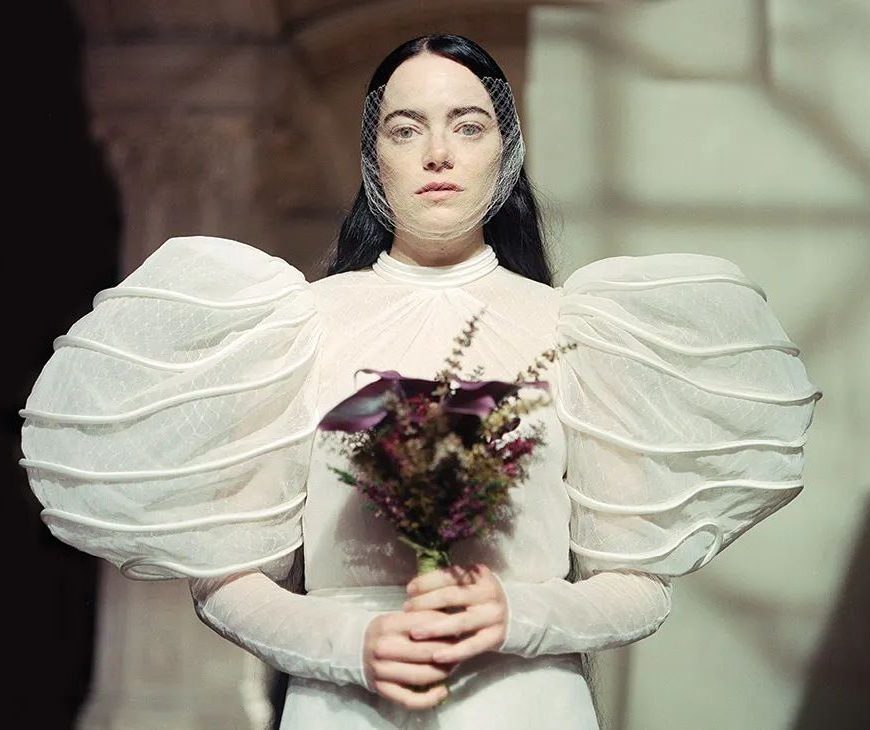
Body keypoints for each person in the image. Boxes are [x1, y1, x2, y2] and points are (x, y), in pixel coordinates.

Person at [19, 33, 822, 729]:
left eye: (468, 126)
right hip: (347, 703)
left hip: (527, 703)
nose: (438, 153)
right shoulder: (301, 325)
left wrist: (519, 612)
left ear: (505, 150)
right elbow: (228, 581)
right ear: (375, 158)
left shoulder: (572, 330)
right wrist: (350, 642)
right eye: (407, 129)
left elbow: (638, 586)